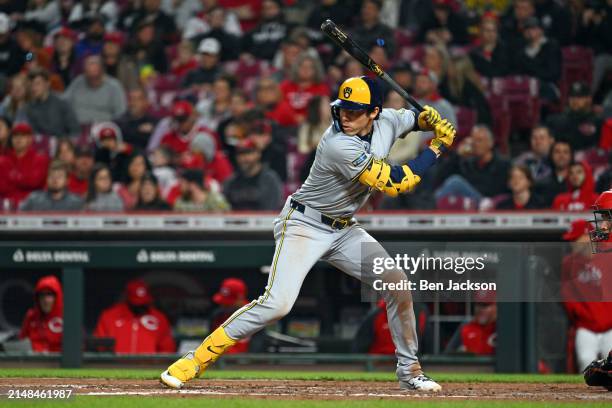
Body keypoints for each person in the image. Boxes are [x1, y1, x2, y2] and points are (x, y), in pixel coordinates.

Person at [161, 76, 456, 391]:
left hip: (344, 228)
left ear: (374, 113)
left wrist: (427, 120)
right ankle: (195, 359)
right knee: (277, 304)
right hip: (305, 224)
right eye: (343, 109)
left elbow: (410, 119)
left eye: (355, 111)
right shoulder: (337, 143)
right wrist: (436, 147)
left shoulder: (388, 120)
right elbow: (398, 182)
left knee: (397, 283)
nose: (345, 116)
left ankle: (410, 371)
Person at [562, 217, 612, 371]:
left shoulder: (608, 255)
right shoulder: (569, 263)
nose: (572, 243)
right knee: (585, 362)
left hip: (610, 326)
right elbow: (567, 295)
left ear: (587, 237)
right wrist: (579, 315)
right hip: (585, 326)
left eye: (575, 239)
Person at [93, 279, 176, 354]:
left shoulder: (159, 318)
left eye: (143, 303)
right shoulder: (110, 316)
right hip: (115, 367)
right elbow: (98, 345)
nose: (140, 307)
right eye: (137, 304)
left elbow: (167, 349)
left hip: (149, 368)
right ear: (127, 299)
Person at [435, 124, 511, 205]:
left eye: (479, 140)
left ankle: (430, 209)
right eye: (473, 140)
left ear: (490, 143)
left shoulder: (503, 165)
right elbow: (439, 178)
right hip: (470, 206)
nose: (475, 144)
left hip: (491, 204)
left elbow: (499, 191)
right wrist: (457, 155)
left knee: (455, 182)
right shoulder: (467, 164)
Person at [64, 55, 128, 125]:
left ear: (102, 70)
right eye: (87, 68)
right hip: (76, 127)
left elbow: (121, 113)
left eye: (95, 77)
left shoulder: (114, 86)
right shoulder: (78, 82)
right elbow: (63, 102)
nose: (92, 80)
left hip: (103, 129)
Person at [223, 138, 283, 211]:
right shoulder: (230, 181)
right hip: (236, 221)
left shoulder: (270, 180)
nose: (244, 158)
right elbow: (225, 209)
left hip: (264, 221)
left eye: (248, 153)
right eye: (240, 153)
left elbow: (272, 209)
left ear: (258, 154)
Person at [512, 16, 561, 102]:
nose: (529, 32)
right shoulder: (521, 50)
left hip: (547, 87)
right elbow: (516, 72)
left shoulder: (551, 46)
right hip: (525, 87)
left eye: (533, 28)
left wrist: (530, 69)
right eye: (526, 29)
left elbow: (553, 74)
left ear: (541, 30)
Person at [352, 300, 428, 356]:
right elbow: (359, 347)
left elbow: (427, 346)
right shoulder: (376, 315)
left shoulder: (419, 313)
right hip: (378, 366)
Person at [0, 122, 49, 208]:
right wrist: (22, 179)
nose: (18, 139)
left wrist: (13, 177)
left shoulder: (40, 159)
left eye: (23, 135)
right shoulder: (3, 160)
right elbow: (2, 186)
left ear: (30, 139)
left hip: (33, 206)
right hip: (7, 205)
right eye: (15, 136)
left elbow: (34, 182)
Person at [546, 82, 604, 152]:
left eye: (579, 97)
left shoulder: (598, 122)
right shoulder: (554, 120)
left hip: (589, 160)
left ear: (589, 99)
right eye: (572, 96)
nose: (575, 100)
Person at [25, 68, 80, 139]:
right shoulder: (30, 108)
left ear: (47, 84)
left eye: (37, 84)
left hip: (63, 144)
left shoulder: (62, 103)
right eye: (31, 85)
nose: (34, 88)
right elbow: (33, 134)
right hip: (42, 145)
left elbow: (75, 130)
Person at [19, 275, 63, 353]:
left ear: (57, 297)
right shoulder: (31, 317)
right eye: (42, 295)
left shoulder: (68, 317)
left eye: (49, 295)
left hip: (58, 363)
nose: (45, 300)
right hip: (34, 363)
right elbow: (21, 343)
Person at [445, 290, 497, 355]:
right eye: (478, 305)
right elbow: (447, 355)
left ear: (496, 307)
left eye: (485, 305)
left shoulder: (501, 329)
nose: (480, 309)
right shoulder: (466, 327)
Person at [19, 160, 84, 211]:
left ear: (67, 181)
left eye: (59, 176)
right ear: (46, 179)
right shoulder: (33, 200)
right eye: (52, 176)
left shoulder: (77, 203)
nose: (55, 180)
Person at [209, 278, 250, 354]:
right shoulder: (218, 315)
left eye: (228, 303)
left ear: (240, 299)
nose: (223, 305)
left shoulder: (252, 317)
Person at [469, 14, 510, 78]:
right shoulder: (474, 52)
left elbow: (502, 72)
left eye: (494, 31)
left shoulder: (505, 51)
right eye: (487, 31)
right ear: (481, 32)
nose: (491, 34)